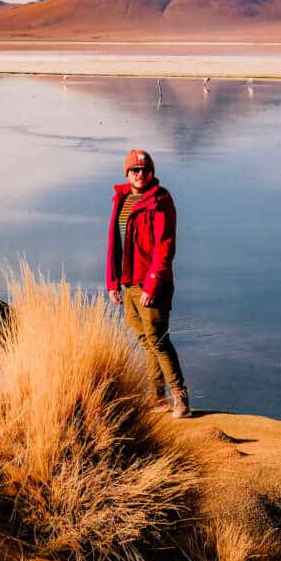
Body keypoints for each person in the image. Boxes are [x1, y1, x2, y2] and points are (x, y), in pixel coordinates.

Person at [106, 148, 190, 418]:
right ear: (127, 173)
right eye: (135, 170)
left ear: (152, 172)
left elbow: (165, 247)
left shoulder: (160, 200)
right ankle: (157, 397)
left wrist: (152, 285)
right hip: (128, 282)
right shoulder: (122, 199)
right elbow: (114, 244)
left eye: (144, 169)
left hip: (151, 283)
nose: (140, 174)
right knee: (144, 340)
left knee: (158, 339)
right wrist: (112, 281)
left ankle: (180, 397)